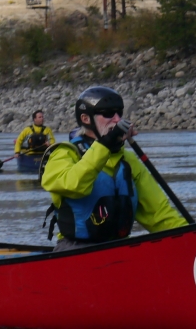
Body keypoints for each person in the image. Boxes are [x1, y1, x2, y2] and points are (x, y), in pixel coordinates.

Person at [40, 86, 188, 252]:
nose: (117, 119)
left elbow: (159, 215)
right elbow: (73, 185)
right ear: (85, 118)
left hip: (120, 249)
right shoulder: (64, 153)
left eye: (119, 113)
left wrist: (192, 239)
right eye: (108, 114)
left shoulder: (128, 160)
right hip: (76, 250)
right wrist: (105, 145)